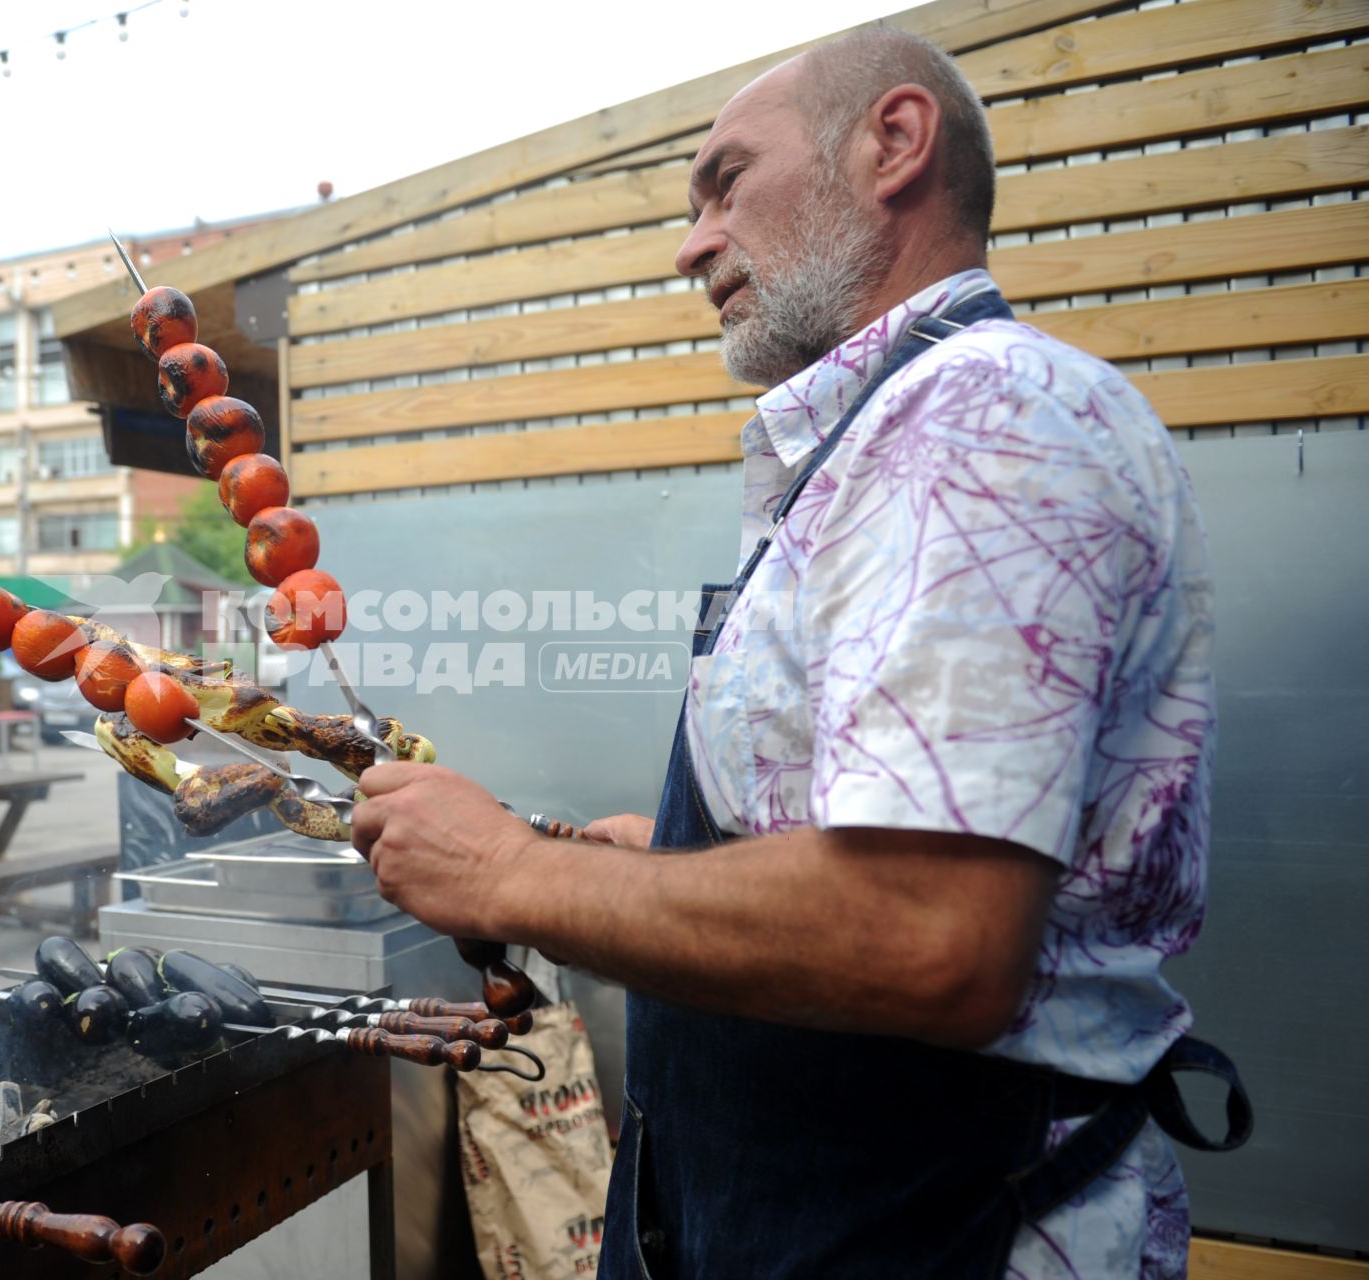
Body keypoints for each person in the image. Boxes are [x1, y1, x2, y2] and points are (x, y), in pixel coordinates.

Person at [351, 26, 1245, 1280]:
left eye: (725, 181)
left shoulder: (984, 415)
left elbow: (932, 931)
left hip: (944, 1231)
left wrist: (510, 873)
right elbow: (866, 837)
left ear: (894, 142)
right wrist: (665, 868)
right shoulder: (882, 437)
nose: (693, 240)